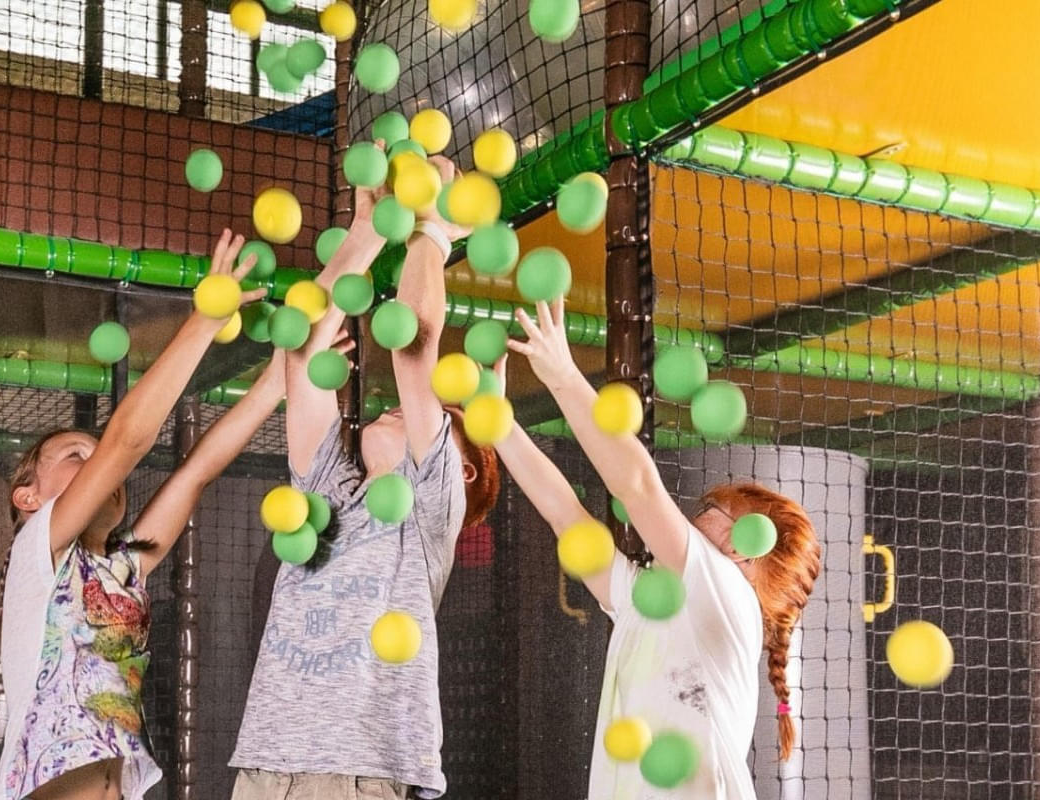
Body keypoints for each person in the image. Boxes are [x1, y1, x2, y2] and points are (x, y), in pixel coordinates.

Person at [230, 161, 501, 800]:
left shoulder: (429, 514)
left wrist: (431, 234)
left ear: (460, 471)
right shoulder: (329, 488)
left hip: (360, 775)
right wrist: (365, 232)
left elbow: (412, 347)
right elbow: (300, 353)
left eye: (438, 415)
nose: (406, 405)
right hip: (266, 766)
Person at [0, 231, 292, 800]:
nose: (97, 465)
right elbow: (126, 441)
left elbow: (196, 472)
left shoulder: (124, 570)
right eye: (75, 456)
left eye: (94, 456)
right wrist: (205, 318)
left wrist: (275, 382)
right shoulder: (41, 552)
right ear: (27, 497)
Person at [493, 298, 823, 798]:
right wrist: (502, 429)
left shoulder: (730, 596)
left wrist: (562, 374)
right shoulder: (655, 605)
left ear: (743, 546)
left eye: (714, 506)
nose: (699, 511)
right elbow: (569, 520)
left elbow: (639, 486)